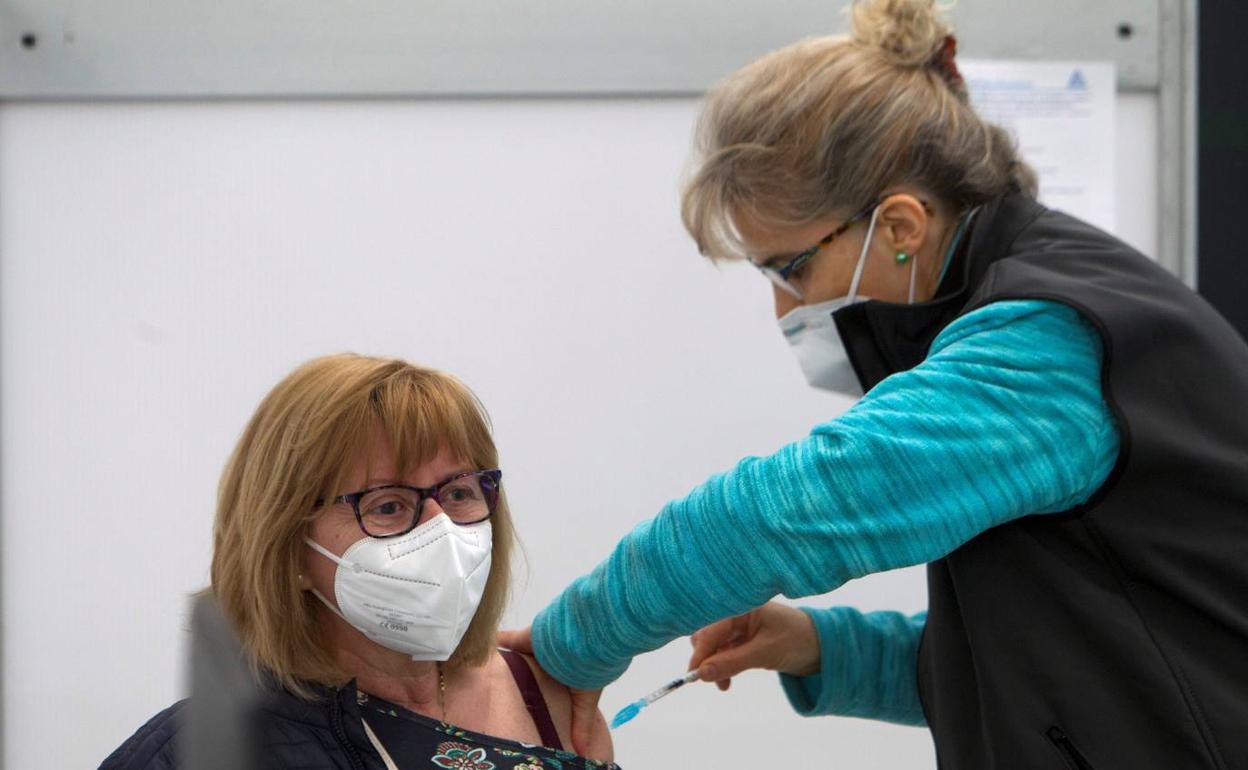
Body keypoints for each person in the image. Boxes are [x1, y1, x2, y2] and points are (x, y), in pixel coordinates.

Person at [501, 1, 1248, 767]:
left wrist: (562, 654)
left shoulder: (1045, 347)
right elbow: (1054, 676)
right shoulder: (1046, 294)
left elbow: (774, 517)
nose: (784, 307)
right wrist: (818, 647)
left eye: (789, 269)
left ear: (899, 227)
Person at [102, 354, 616, 769]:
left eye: (459, 493)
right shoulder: (194, 753)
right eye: (388, 506)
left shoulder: (550, 699)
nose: (441, 530)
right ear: (288, 544)